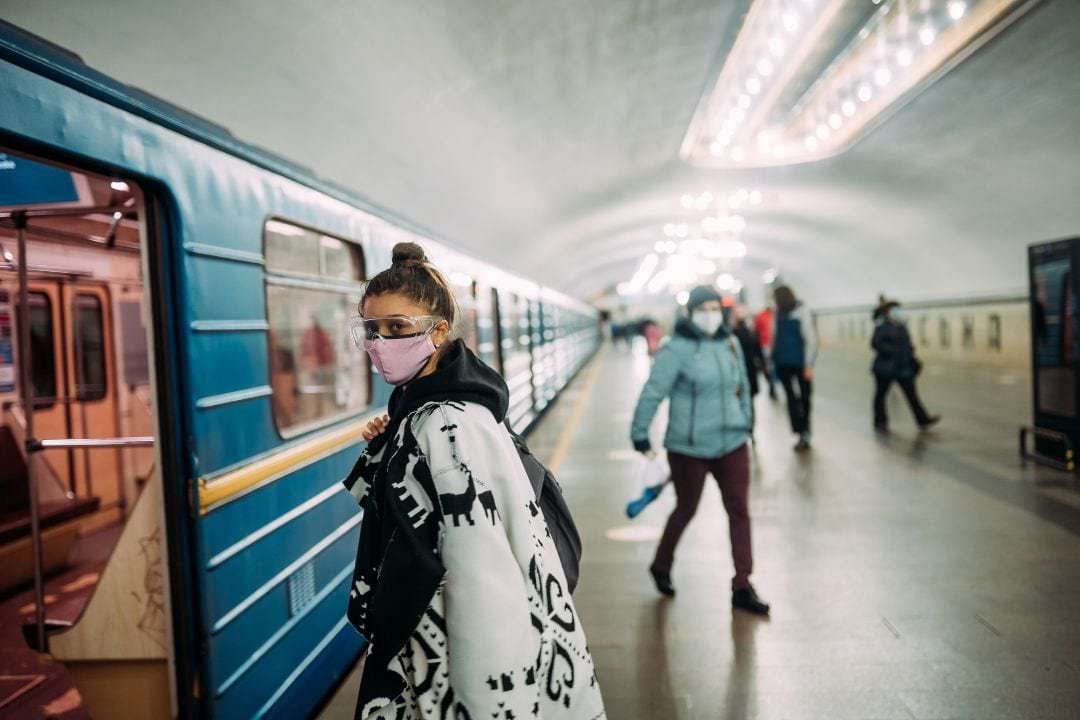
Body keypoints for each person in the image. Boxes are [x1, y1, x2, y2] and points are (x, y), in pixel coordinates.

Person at [342, 243, 606, 719]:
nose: (380, 343)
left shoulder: (446, 424)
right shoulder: (435, 407)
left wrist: (489, 699)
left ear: (438, 332)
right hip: (438, 649)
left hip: (447, 659)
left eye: (397, 328)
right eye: (370, 330)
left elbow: (483, 577)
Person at [629, 285, 770, 616]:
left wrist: (747, 423)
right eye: (703, 308)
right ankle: (661, 564)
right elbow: (653, 392)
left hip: (732, 442)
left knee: (740, 511)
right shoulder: (676, 349)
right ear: (690, 313)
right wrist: (640, 433)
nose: (710, 314)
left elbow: (743, 387)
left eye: (714, 307)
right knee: (686, 508)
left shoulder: (730, 343)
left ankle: (742, 585)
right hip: (688, 447)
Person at [871, 296, 940, 432]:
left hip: (903, 368)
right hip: (885, 368)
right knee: (881, 395)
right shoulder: (882, 327)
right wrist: (893, 351)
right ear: (888, 312)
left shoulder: (902, 326)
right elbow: (875, 343)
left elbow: (908, 345)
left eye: (899, 309)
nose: (898, 311)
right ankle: (880, 421)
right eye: (895, 309)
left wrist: (911, 357)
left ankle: (922, 419)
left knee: (912, 395)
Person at [771, 285, 817, 451]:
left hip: (800, 363)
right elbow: (774, 337)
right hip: (783, 363)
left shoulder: (802, 311)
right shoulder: (778, 313)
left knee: (804, 397)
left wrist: (809, 364)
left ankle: (805, 430)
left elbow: (810, 338)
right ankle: (799, 430)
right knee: (791, 398)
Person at [754, 305, 778, 399]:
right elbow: (756, 331)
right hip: (765, 345)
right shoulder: (762, 316)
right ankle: (772, 386)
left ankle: (773, 385)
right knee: (769, 367)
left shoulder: (776, 315)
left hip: (774, 345)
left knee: (772, 367)